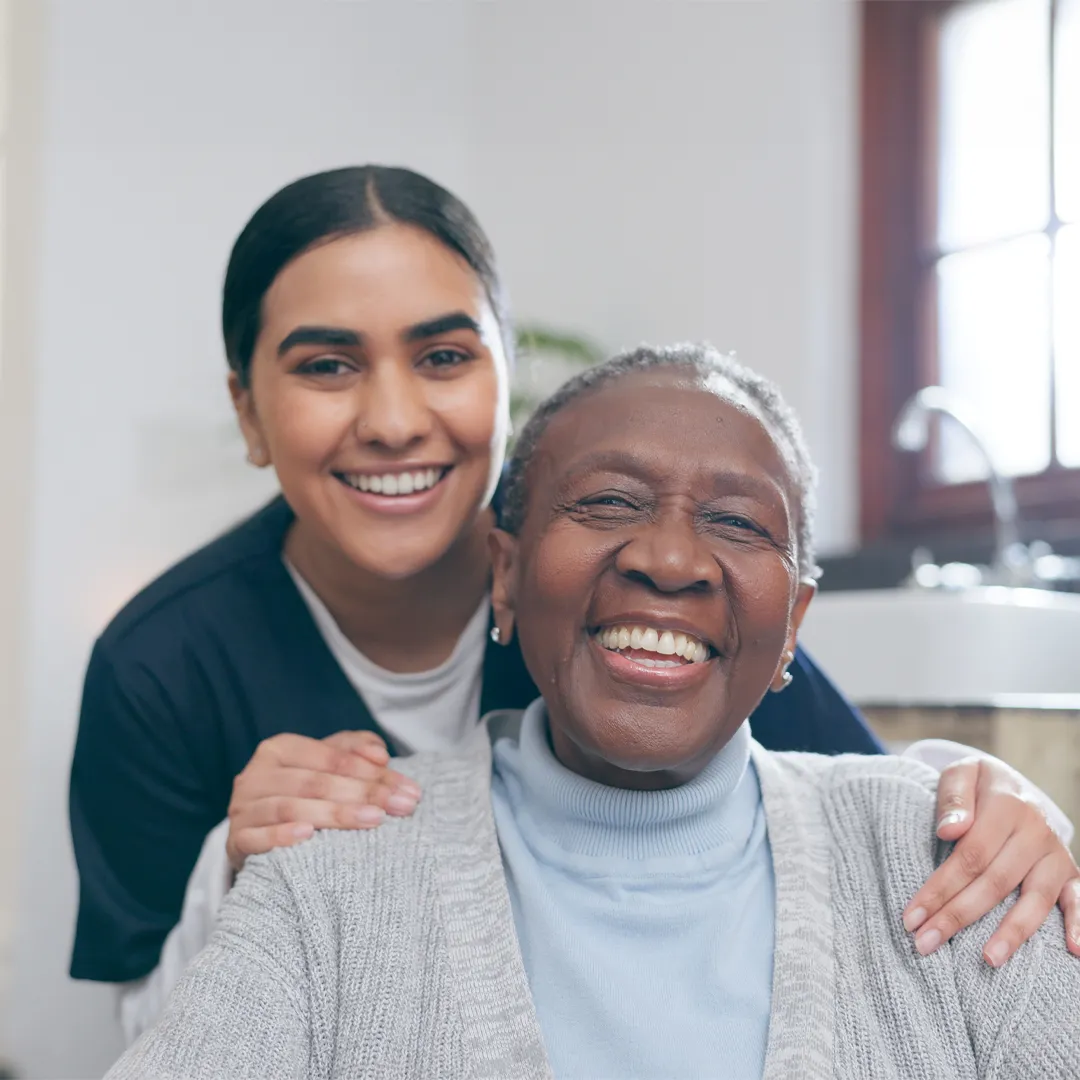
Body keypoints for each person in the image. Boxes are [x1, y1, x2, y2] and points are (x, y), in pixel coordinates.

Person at [70, 168, 1079, 1043]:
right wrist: (235, 874)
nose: (391, 419)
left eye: (445, 357)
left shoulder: (617, 589)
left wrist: (985, 797)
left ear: (505, 382)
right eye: (327, 366)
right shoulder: (161, 663)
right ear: (248, 410)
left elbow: (849, 809)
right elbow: (151, 1031)